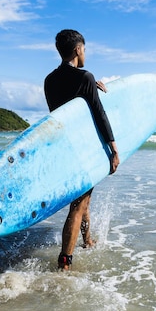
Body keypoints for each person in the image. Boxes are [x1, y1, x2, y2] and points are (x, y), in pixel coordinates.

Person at [44, 29, 120, 270]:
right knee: (78, 206)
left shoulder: (49, 80)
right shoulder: (85, 77)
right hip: (84, 151)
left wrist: (94, 92)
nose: (85, 54)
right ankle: (65, 261)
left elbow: (66, 113)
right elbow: (99, 115)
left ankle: (87, 240)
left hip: (64, 149)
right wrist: (114, 149)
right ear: (77, 50)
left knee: (84, 199)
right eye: (84, 49)